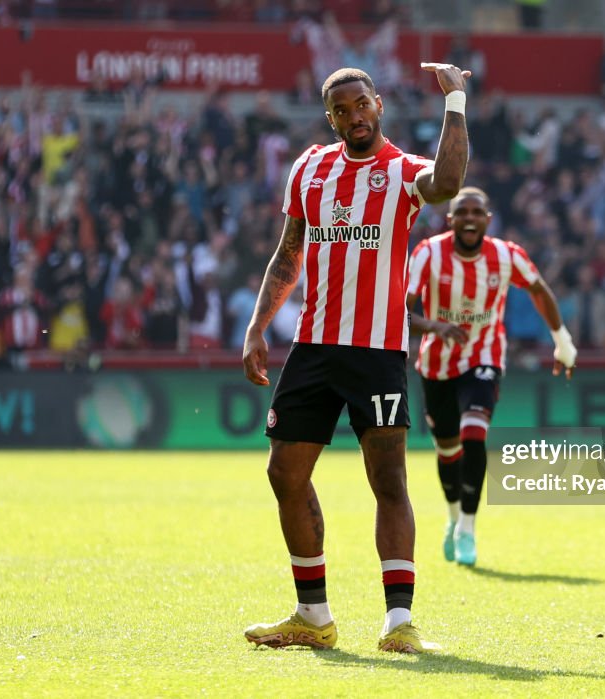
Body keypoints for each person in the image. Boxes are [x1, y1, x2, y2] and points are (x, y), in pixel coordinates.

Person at [241, 63, 471, 654]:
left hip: (377, 350)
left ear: (379, 105)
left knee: (387, 480)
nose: (353, 116)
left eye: (360, 104)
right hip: (314, 346)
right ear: (330, 118)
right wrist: (258, 326)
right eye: (341, 110)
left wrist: (456, 102)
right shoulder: (310, 168)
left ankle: (399, 624)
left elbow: (446, 183)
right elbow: (288, 252)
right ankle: (312, 616)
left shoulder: (400, 171)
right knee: (283, 474)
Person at [406, 187, 577, 567]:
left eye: (476, 212)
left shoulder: (506, 255)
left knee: (474, 434)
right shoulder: (428, 254)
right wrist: (435, 326)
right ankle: (453, 518)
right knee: (448, 449)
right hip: (436, 365)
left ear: (488, 218)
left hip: (484, 357)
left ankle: (468, 526)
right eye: (461, 212)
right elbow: (401, 313)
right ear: (450, 220)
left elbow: (538, 289)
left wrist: (562, 341)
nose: (469, 218)